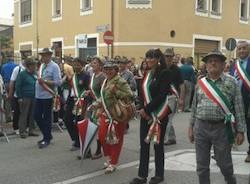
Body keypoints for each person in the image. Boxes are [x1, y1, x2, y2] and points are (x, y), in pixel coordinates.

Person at [188, 49, 246, 184]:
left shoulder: (232, 82)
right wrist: (191, 126)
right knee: (201, 166)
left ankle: (231, 181)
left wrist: (240, 131)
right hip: (201, 127)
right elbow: (194, 107)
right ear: (206, 65)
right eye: (209, 61)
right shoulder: (201, 82)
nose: (212, 63)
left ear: (222, 64)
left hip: (222, 128)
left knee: (225, 165)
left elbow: (239, 108)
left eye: (216, 61)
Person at [130, 49, 171, 184]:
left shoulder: (165, 73)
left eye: (151, 57)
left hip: (159, 114)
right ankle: (142, 176)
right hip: (145, 114)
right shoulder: (146, 74)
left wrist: (146, 110)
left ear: (158, 59)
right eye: (147, 57)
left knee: (158, 145)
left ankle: (159, 174)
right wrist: (142, 108)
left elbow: (162, 95)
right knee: (144, 144)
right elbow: (142, 94)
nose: (148, 60)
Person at [96, 60, 134, 174]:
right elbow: (103, 96)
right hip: (106, 113)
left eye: (110, 69)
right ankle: (109, 158)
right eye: (106, 69)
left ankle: (113, 162)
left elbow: (130, 96)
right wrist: (96, 105)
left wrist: (116, 91)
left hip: (118, 114)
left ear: (115, 70)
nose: (108, 71)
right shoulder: (105, 81)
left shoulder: (120, 81)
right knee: (102, 136)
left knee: (116, 139)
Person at [34, 48, 62, 149]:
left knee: (46, 118)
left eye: (45, 55)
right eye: (42, 55)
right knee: (36, 116)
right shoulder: (42, 65)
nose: (43, 57)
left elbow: (58, 82)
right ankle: (47, 135)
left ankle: (46, 138)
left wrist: (45, 81)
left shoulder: (54, 66)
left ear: (50, 55)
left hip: (48, 95)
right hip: (38, 95)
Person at [64, 57, 90, 151]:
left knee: (79, 121)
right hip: (72, 100)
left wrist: (86, 103)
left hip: (82, 101)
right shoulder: (74, 76)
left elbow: (88, 90)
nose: (75, 66)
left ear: (82, 65)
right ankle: (75, 138)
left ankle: (80, 142)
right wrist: (67, 102)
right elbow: (72, 89)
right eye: (74, 64)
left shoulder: (86, 75)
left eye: (77, 64)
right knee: (67, 119)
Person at [230, 40, 250, 163]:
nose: (241, 51)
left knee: (249, 127)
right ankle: (225, 151)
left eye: (244, 48)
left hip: (249, 101)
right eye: (239, 49)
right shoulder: (234, 65)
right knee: (230, 126)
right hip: (235, 101)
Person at [164, 48, 185, 146]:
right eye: (166, 56)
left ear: (173, 57)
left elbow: (182, 85)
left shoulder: (177, 69)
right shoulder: (162, 68)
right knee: (166, 118)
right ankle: (172, 138)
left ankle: (164, 138)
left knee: (168, 118)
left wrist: (181, 99)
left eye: (170, 56)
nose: (168, 58)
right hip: (162, 97)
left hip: (172, 97)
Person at [86, 57, 106, 159]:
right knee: (92, 127)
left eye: (95, 63)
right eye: (92, 63)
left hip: (100, 105)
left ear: (100, 65)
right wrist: (88, 92)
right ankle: (88, 150)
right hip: (93, 104)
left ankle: (99, 151)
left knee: (98, 128)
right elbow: (93, 89)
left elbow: (103, 92)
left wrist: (101, 106)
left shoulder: (102, 77)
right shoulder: (93, 75)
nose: (92, 64)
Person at [15, 57, 38, 138]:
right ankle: (22, 131)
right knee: (24, 114)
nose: (35, 66)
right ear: (29, 66)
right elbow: (18, 86)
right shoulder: (22, 74)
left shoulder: (35, 74)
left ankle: (31, 130)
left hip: (34, 96)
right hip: (25, 97)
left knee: (33, 114)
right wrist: (20, 97)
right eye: (33, 65)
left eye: (35, 65)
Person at [8, 57, 26, 135]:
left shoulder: (30, 69)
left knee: (25, 112)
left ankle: (24, 127)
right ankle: (16, 127)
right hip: (17, 94)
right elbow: (12, 82)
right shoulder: (17, 69)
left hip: (27, 94)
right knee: (17, 111)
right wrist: (10, 94)